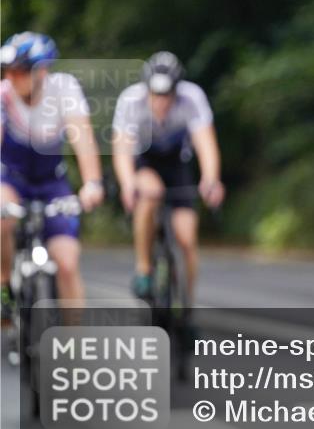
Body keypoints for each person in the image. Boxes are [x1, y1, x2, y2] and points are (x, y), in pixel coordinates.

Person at [1, 32, 104, 318]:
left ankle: (71, 342)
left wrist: (92, 183)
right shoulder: (4, 95)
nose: (11, 77)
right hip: (12, 178)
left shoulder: (64, 89)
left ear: (42, 71)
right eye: (7, 71)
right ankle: (4, 286)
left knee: (68, 262)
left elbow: (82, 137)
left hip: (52, 183)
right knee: (2, 218)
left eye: (19, 71)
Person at [111, 51, 224, 303]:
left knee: (187, 238)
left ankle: (187, 302)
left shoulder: (192, 97)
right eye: (155, 95)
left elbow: (206, 144)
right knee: (150, 193)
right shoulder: (130, 100)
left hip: (177, 163)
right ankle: (143, 267)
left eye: (167, 95)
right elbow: (122, 150)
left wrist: (211, 179)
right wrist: (128, 184)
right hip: (145, 160)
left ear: (176, 90)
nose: (161, 102)